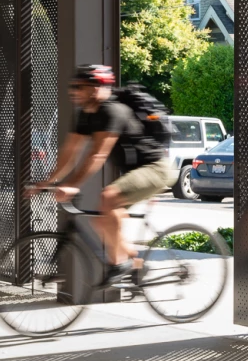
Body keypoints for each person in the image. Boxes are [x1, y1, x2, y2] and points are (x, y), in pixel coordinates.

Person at [27, 64, 177, 279]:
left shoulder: (113, 110)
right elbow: (70, 152)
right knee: (101, 221)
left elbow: (98, 154)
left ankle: (119, 265)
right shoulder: (85, 114)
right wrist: (47, 182)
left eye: (79, 87)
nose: (73, 91)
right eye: (72, 86)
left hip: (156, 168)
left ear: (96, 87)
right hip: (136, 172)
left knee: (108, 197)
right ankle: (136, 264)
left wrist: (72, 185)